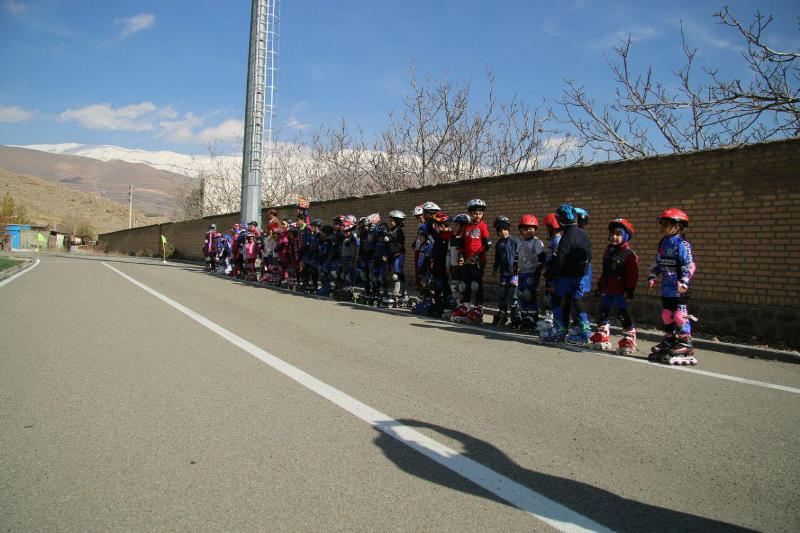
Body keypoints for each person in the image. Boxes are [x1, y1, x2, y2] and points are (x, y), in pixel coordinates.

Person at [647, 208, 697, 365]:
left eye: (666, 224)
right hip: (666, 287)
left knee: (679, 316)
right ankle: (669, 339)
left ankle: (685, 342)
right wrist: (653, 275)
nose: (662, 227)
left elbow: (689, 265)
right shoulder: (663, 243)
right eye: (661, 223)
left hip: (679, 288)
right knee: (666, 315)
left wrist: (684, 281)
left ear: (678, 227)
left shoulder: (682, 244)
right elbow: (658, 262)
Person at [589, 218, 639, 354]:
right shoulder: (608, 252)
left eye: (618, 234)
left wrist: (630, 290)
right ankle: (603, 333)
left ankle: (629, 336)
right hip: (608, 289)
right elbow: (605, 272)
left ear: (626, 236)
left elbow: (633, 275)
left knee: (622, 313)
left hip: (620, 291)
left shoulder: (629, 254)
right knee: (602, 311)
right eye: (612, 234)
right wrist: (600, 286)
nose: (614, 237)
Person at [543, 204, 592, 344]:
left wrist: (551, 276)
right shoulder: (584, 235)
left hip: (565, 276)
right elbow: (589, 256)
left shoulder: (566, 237)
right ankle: (585, 329)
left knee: (556, 299)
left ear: (560, 221)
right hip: (580, 276)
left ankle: (559, 329)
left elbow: (560, 258)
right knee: (577, 300)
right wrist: (583, 272)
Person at [458, 199, 490, 324]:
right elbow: (462, 244)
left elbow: (487, 244)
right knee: (465, 284)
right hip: (467, 259)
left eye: (480, 213)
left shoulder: (483, 226)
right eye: (475, 213)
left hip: (478, 260)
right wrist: (461, 256)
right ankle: (466, 306)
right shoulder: (466, 227)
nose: (477, 216)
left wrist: (476, 256)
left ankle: (478, 307)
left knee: (476, 285)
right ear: (470, 213)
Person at [516, 214, 546, 331]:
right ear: (521, 230)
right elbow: (516, 256)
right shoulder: (520, 242)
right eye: (525, 229)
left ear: (535, 229)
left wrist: (539, 269)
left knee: (529, 294)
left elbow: (542, 257)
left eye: (531, 229)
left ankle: (533, 316)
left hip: (532, 273)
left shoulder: (537, 242)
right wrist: (514, 266)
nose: (528, 231)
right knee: (521, 294)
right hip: (522, 273)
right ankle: (525, 315)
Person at [491, 216, 519, 326]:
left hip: (514, 273)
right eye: (501, 231)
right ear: (498, 232)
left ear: (509, 229)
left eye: (505, 230)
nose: (503, 232)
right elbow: (497, 258)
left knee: (513, 294)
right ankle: (502, 313)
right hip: (504, 273)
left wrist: (519, 266)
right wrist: (494, 269)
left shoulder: (515, 241)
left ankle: (515, 315)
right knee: (502, 294)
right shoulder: (499, 244)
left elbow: (520, 255)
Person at [446, 214, 470, 320]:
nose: (453, 227)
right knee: (453, 286)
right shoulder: (452, 237)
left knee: (462, 287)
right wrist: (447, 265)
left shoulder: (465, 239)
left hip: (463, 267)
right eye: (453, 225)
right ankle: (458, 306)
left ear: (463, 226)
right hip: (454, 266)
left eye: (456, 225)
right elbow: (448, 253)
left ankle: (466, 308)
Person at [385, 210, 407, 304]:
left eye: (392, 220)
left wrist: (390, 239)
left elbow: (399, 244)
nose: (390, 222)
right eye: (390, 220)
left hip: (398, 255)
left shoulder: (399, 231)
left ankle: (398, 293)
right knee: (395, 274)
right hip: (392, 256)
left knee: (397, 275)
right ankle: (403, 293)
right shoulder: (391, 230)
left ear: (397, 221)